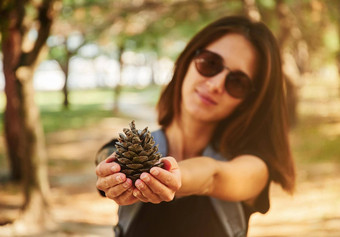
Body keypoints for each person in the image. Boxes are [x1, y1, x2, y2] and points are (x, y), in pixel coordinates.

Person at [95, 15, 296, 237]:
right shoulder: (126, 147)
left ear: (248, 101)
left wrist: (174, 177)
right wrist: (112, 172)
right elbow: (106, 155)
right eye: (210, 64)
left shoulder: (254, 167)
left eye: (237, 82)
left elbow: (213, 176)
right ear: (187, 61)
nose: (215, 85)